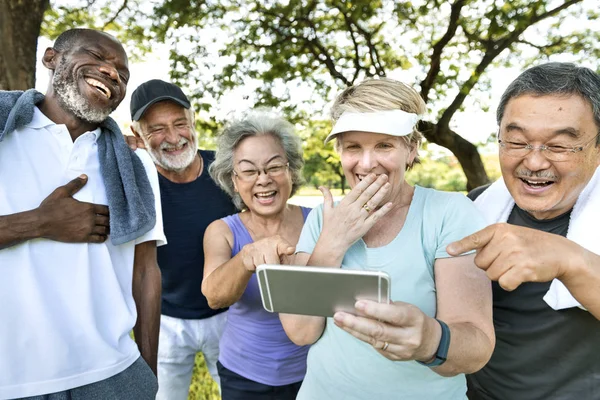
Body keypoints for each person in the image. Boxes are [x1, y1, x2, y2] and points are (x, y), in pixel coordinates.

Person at [280, 77, 495, 399]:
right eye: (353, 147)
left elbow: (476, 349)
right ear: (340, 152)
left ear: (411, 149)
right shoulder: (323, 218)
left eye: (384, 145)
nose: (366, 164)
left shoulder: (450, 213)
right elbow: (301, 332)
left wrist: (428, 341)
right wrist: (332, 242)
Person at [0, 29, 165, 399]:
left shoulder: (135, 164)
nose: (112, 74)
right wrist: (39, 223)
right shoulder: (5, 137)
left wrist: (149, 375)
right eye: (97, 56)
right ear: (51, 58)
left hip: (114, 374)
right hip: (11, 380)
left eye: (122, 74)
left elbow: (145, 271)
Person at [445, 62, 600, 400]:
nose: (534, 162)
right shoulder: (474, 208)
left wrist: (570, 260)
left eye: (559, 146)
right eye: (516, 142)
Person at [127, 79, 237, 399]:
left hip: (228, 315)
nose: (173, 138)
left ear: (193, 121)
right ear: (137, 135)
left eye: (180, 123)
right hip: (166, 320)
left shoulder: (226, 170)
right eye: (157, 129)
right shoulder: (136, 179)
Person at [201, 110, 310, 399]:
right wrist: (247, 257)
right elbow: (214, 296)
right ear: (234, 180)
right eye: (249, 171)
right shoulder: (222, 231)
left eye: (274, 167)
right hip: (244, 376)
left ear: (291, 171)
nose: (263, 180)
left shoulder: (319, 222)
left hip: (313, 372)